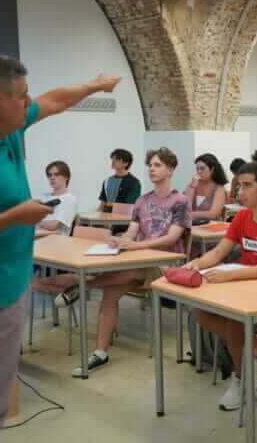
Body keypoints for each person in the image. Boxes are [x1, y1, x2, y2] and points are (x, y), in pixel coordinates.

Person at [0, 53, 120, 442]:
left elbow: (54, 100)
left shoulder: (6, 127)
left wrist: (94, 86)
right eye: (22, 96)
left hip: (7, 282)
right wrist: (15, 216)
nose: (30, 102)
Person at [55, 147, 191, 376]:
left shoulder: (180, 201)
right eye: (150, 165)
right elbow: (132, 231)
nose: (152, 169)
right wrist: (119, 240)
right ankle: (100, 352)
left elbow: (172, 237)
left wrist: (136, 245)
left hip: (168, 266)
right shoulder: (142, 201)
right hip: (140, 263)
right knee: (111, 290)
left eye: (158, 165)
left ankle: (83, 286)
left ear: (170, 169)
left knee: (133, 270)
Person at [186, 161, 257, 411]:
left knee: (235, 322)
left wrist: (228, 277)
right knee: (201, 313)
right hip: (247, 285)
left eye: (247, 186)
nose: (240, 192)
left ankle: (242, 378)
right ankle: (252, 357)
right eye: (238, 186)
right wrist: (197, 263)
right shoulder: (242, 217)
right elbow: (218, 252)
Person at [37, 160, 78, 236]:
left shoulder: (70, 199)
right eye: (50, 175)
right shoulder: (43, 196)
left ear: (66, 177)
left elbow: (53, 225)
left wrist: (35, 222)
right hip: (37, 236)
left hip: (55, 241)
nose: (52, 178)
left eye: (56, 174)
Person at [185, 153, 228, 221]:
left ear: (212, 169)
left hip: (210, 227)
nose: (199, 172)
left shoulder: (219, 188)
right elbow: (186, 208)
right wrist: (192, 188)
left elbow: (213, 214)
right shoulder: (192, 184)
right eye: (197, 169)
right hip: (192, 225)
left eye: (202, 168)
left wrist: (193, 214)